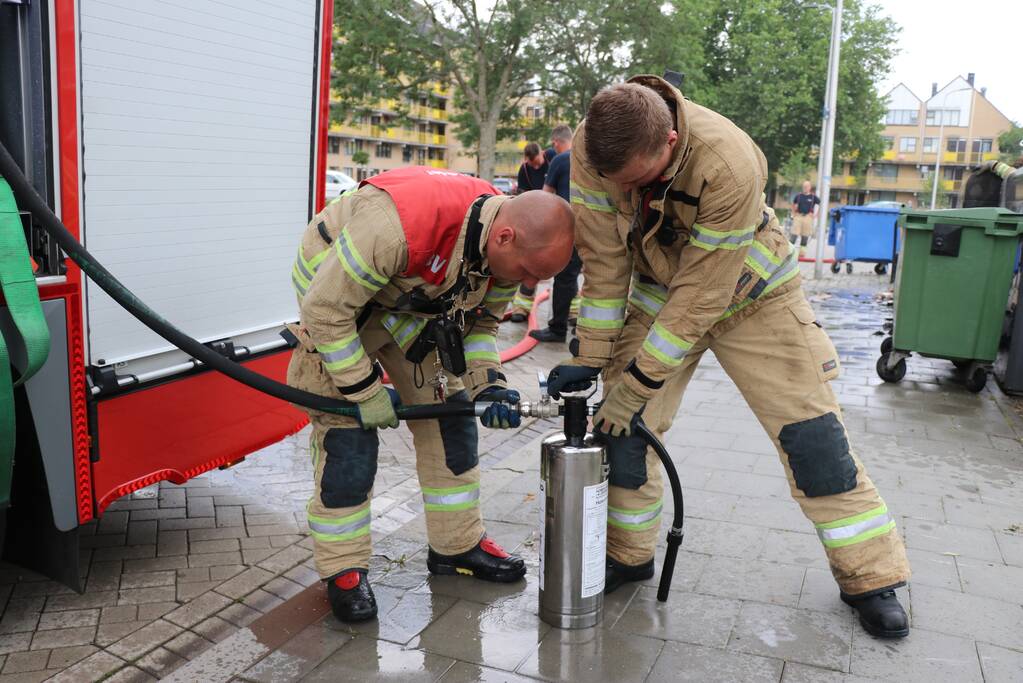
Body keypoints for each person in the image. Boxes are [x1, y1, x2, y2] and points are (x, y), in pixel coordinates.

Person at [548, 77, 911, 639]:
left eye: (638, 180)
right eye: (618, 182)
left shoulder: (730, 162)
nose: (626, 190)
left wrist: (636, 386)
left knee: (813, 439)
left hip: (753, 294)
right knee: (623, 435)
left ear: (670, 141)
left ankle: (871, 576)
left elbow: (702, 297)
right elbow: (604, 259)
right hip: (659, 291)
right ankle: (627, 553)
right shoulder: (595, 148)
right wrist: (593, 357)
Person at [289, 166, 574, 623]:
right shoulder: (396, 225)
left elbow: (480, 326)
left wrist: (490, 386)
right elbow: (325, 311)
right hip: (337, 305)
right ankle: (343, 567)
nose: (527, 285)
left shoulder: (501, 247)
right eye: (527, 273)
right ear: (504, 238)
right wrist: (364, 389)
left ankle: (456, 546)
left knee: (452, 421)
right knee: (350, 443)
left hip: (406, 303)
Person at [531, 124, 583, 342]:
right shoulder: (589, 159)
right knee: (582, 277)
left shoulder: (560, 161)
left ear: (555, 142)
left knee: (563, 277)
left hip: (568, 227)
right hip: (592, 227)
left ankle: (557, 329)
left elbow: (546, 196)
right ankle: (582, 326)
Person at [509, 143, 553, 322]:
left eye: (537, 163)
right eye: (531, 164)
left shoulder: (553, 159)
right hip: (534, 220)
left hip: (554, 218)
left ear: (542, 153)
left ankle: (569, 310)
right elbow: (523, 195)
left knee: (564, 269)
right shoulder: (525, 170)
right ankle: (521, 307)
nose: (535, 167)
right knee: (531, 262)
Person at [790, 180, 820, 254]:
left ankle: (802, 253)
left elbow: (820, 204)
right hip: (798, 216)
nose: (805, 188)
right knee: (794, 235)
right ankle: (789, 251)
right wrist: (793, 213)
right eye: (804, 186)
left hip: (808, 217)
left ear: (810, 187)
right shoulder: (799, 196)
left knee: (805, 236)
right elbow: (793, 204)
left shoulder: (813, 197)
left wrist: (816, 215)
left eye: (806, 186)